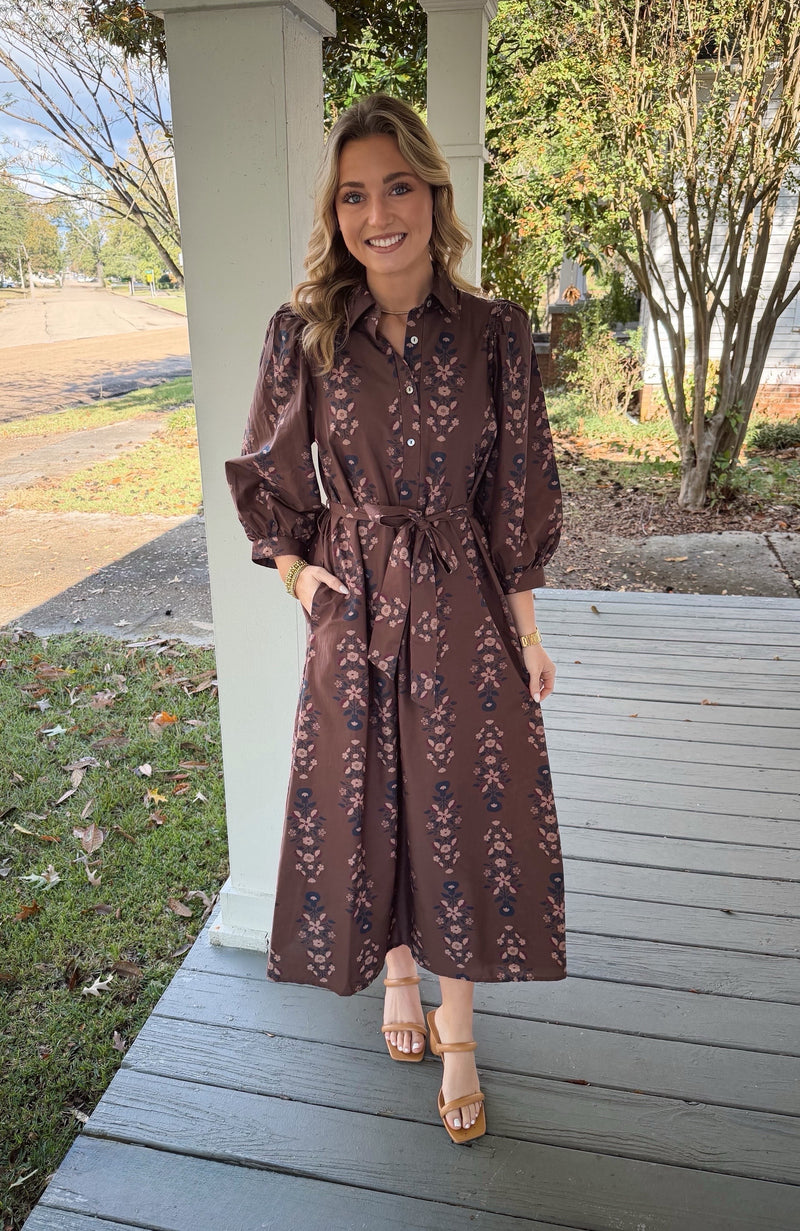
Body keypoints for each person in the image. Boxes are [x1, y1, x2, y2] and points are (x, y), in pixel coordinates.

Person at [225, 93, 565, 1145]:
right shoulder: (306, 333)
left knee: (457, 800)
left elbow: (514, 484)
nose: (379, 214)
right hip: (355, 595)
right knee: (370, 789)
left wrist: (528, 624)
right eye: (355, 195)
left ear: (434, 195)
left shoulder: (496, 331)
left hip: (460, 592)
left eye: (399, 188)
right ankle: (398, 976)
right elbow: (268, 471)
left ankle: (457, 1030)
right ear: (336, 212)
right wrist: (295, 575)